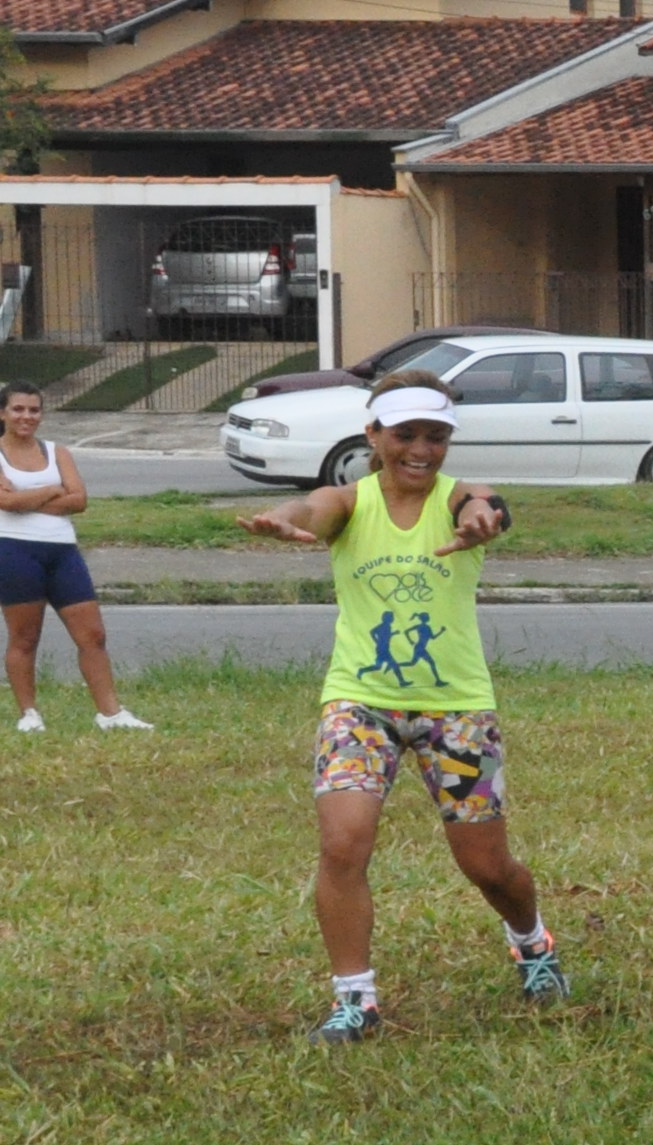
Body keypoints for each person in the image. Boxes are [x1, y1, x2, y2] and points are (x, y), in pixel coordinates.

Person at [235, 376, 566, 1039]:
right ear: (374, 435)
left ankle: (531, 941)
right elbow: (316, 508)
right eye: (405, 435)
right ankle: (355, 1001)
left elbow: (485, 504)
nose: (420, 449)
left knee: (487, 866)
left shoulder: (461, 499)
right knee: (342, 843)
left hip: (457, 708)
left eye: (435, 437)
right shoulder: (349, 501)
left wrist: (482, 518)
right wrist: (286, 519)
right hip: (361, 703)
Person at [0, 382, 144, 733]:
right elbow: (6, 503)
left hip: (63, 551)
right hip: (14, 550)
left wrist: (26, 498)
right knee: (25, 637)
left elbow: (79, 500)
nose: (26, 416)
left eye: (34, 410)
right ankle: (29, 714)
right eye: (18, 409)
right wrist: (53, 489)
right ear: (3, 413)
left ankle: (111, 714)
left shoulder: (57, 452)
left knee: (92, 635)